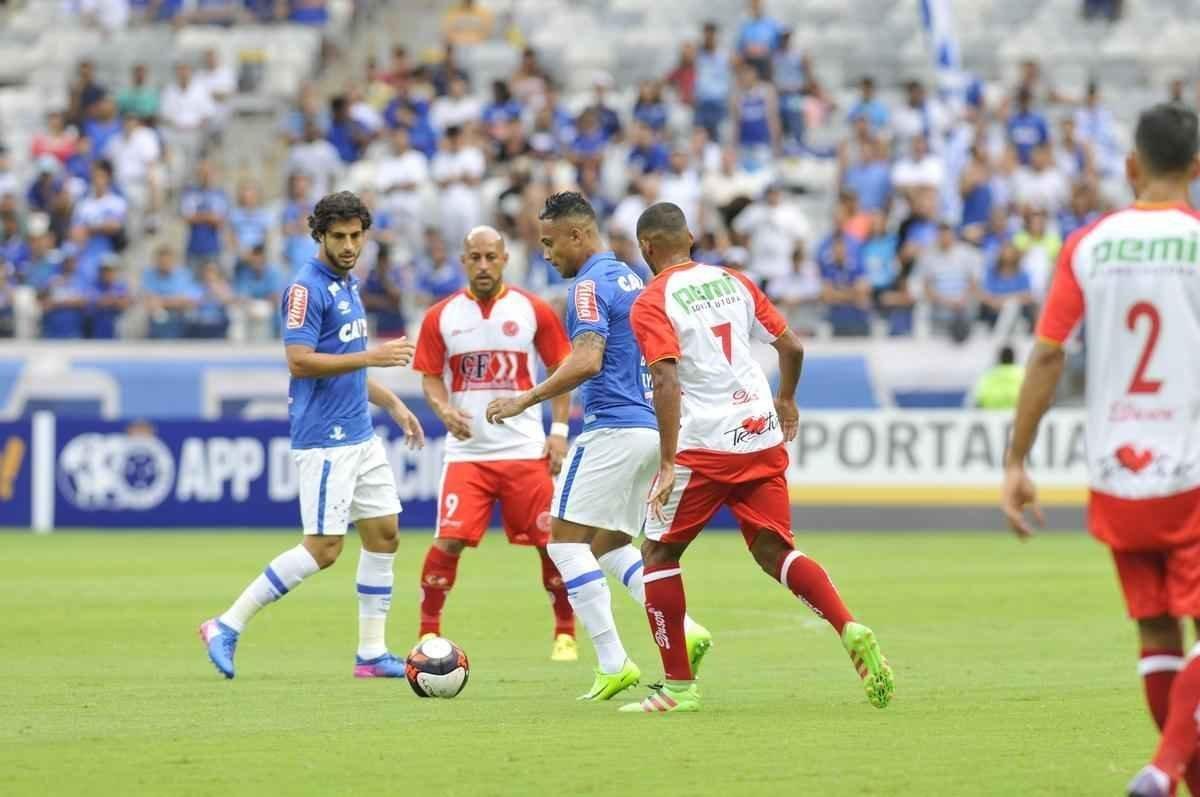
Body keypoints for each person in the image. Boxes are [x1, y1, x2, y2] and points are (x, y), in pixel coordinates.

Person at [999, 103, 1200, 797]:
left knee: (1155, 634)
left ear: (1130, 166)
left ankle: (1179, 776)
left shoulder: (1089, 244)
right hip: (1191, 467)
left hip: (1117, 472)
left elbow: (1050, 354)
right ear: (1197, 168)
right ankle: (1164, 767)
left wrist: (1016, 460)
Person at [622, 201, 893, 713]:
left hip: (705, 443)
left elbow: (664, 377)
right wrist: (786, 399)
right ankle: (846, 624)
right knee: (774, 550)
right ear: (692, 239)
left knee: (657, 554)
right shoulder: (734, 282)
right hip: (760, 432)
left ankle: (678, 688)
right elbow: (791, 347)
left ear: (647, 248)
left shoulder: (652, 300)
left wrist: (666, 459)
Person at [484, 192, 712, 702]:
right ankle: (689, 629)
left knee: (562, 542)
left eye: (549, 243)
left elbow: (587, 360)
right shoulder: (632, 277)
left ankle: (613, 663)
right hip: (652, 430)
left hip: (612, 429)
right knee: (607, 545)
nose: (546, 254)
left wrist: (526, 399)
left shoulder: (588, 287)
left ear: (578, 236)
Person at [199, 191, 424, 680]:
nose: (348, 245)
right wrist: (371, 357)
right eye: (338, 237)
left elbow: (349, 369)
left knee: (384, 534)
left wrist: (394, 403)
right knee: (323, 549)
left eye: (356, 236)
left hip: (360, 434)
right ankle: (225, 624)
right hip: (326, 438)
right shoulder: (305, 289)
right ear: (319, 235)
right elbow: (299, 361)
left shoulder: (349, 284)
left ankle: (370, 654)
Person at [410, 226, 577, 657]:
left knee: (551, 543)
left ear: (505, 259)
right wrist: (443, 409)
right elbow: (430, 376)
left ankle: (565, 631)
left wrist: (558, 433)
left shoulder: (532, 309)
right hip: (468, 454)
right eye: (475, 258)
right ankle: (428, 632)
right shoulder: (441, 316)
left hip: (525, 450)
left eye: (491, 257)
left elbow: (563, 372)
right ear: (463, 261)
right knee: (448, 540)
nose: (483, 265)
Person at [973, 344, 1023, 410]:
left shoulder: (989, 375)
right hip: (1018, 416)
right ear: (1014, 358)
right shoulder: (1022, 374)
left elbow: (978, 401)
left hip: (990, 417)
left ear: (999, 358)